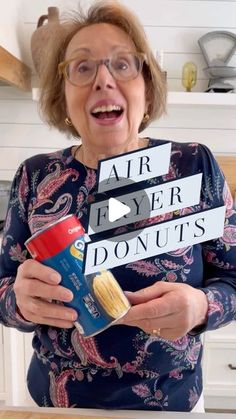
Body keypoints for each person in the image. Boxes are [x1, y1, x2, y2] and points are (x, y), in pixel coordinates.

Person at [0, 0, 235, 412]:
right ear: (64, 96)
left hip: (172, 404)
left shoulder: (193, 165)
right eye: (83, 67)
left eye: (122, 64)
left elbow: (233, 278)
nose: (103, 79)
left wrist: (202, 306)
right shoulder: (35, 177)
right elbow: (3, 287)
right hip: (58, 405)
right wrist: (18, 302)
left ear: (147, 87)